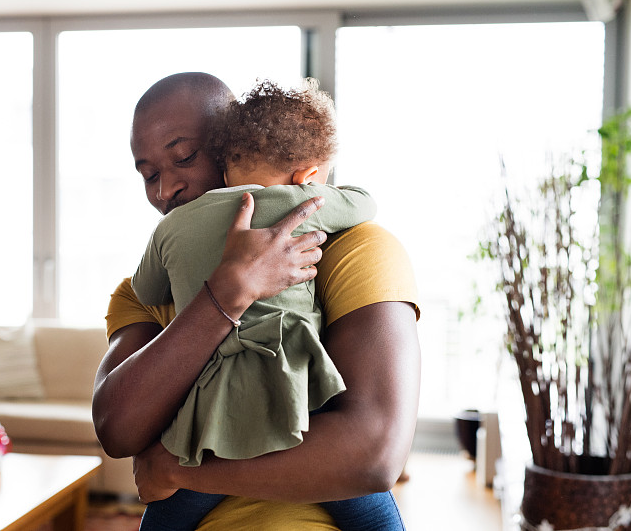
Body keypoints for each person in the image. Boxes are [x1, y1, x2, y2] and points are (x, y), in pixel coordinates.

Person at [93, 72, 421, 530]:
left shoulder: (355, 249)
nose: (164, 191)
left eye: (184, 158)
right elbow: (116, 428)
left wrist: (176, 467)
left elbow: (374, 453)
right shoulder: (150, 283)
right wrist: (227, 293)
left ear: (233, 149)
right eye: (148, 175)